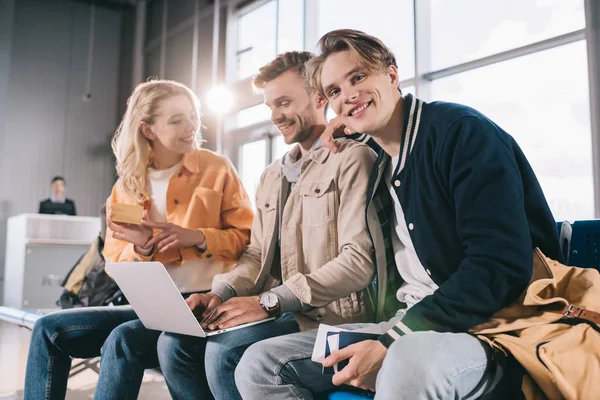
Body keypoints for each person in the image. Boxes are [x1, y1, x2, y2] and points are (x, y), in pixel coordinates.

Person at [235, 29, 562, 400]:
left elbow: (498, 265)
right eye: (335, 92)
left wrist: (396, 338)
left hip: (490, 325)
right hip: (409, 323)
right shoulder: (380, 160)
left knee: (405, 361)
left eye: (358, 78)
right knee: (260, 364)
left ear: (392, 74)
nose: (349, 96)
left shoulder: (461, 134)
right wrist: (348, 127)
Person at [156, 51, 380, 400]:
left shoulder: (351, 159)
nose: (276, 115)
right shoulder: (271, 176)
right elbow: (257, 253)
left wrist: (270, 301)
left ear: (319, 97)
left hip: (331, 317)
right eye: (271, 106)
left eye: (285, 102)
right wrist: (220, 293)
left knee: (223, 351)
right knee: (174, 344)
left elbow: (357, 261)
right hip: (284, 309)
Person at [23, 79, 254, 400]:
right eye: (177, 120)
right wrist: (143, 248)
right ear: (148, 130)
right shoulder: (128, 186)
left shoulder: (217, 168)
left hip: (207, 301)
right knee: (48, 329)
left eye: (193, 114)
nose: (192, 126)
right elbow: (115, 259)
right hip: (153, 305)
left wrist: (197, 237)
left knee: (123, 339)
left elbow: (247, 240)